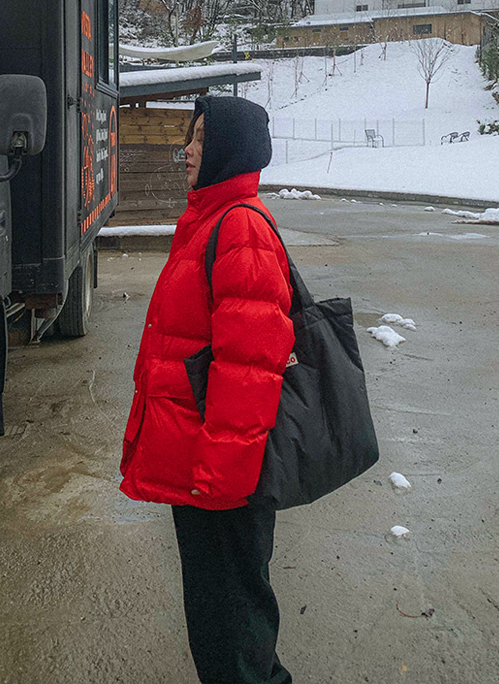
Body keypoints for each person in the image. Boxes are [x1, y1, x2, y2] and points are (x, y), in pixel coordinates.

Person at [120, 94, 295, 684]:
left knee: (232, 629)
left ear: (230, 149)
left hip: (221, 479)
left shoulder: (240, 227)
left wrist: (219, 477)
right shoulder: (210, 220)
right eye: (190, 137)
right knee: (220, 620)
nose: (188, 150)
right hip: (204, 465)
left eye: (200, 138)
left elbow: (251, 366)